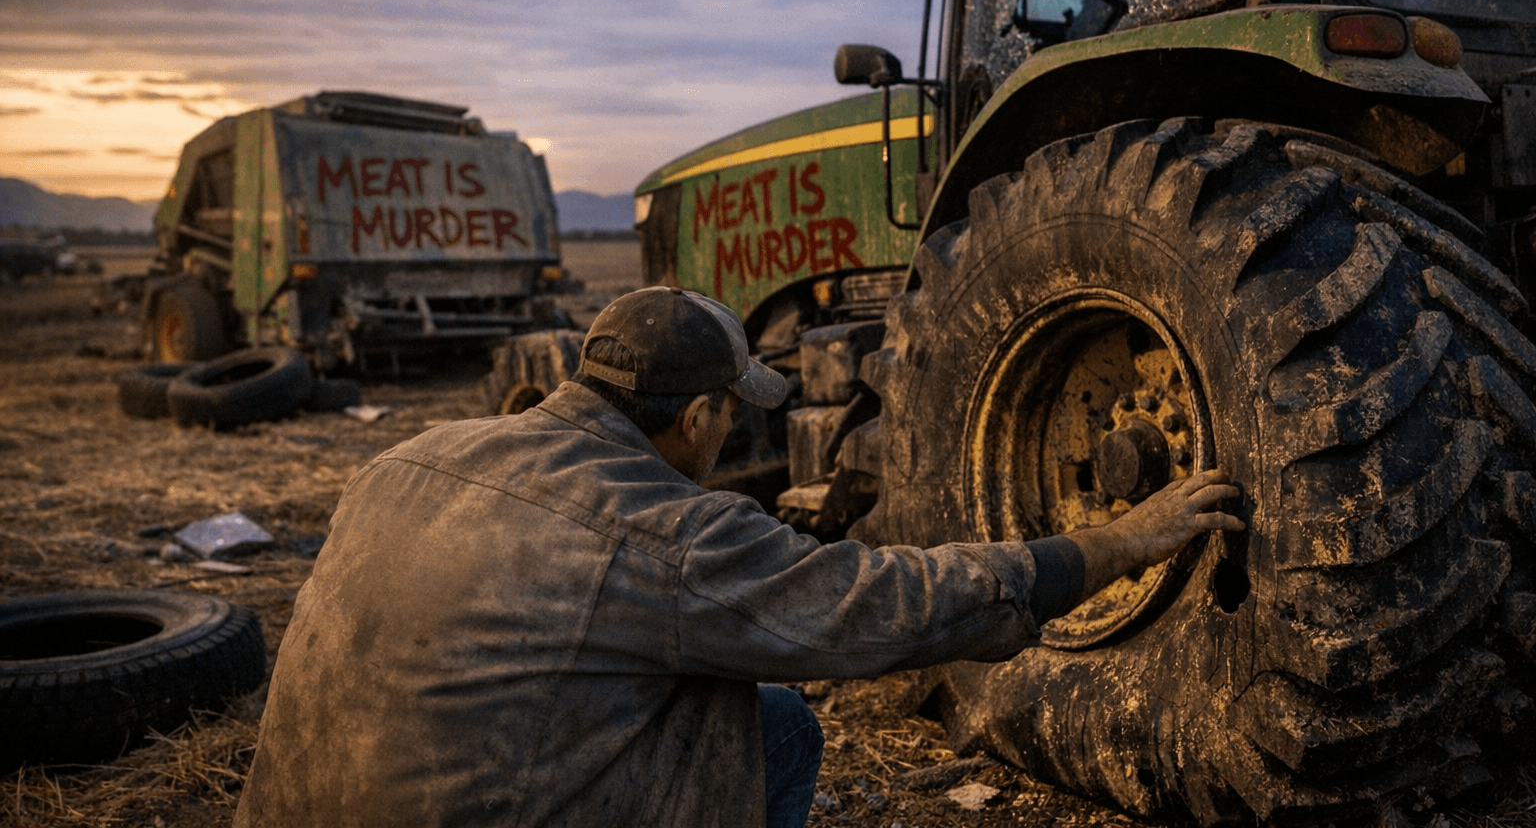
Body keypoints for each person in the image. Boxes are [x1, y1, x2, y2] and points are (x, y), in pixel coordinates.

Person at [235, 287, 1243, 828]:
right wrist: (1116, 540)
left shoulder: (402, 459)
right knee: (775, 721)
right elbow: (879, 604)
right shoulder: (662, 532)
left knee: (759, 716)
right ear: (703, 416)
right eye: (731, 414)